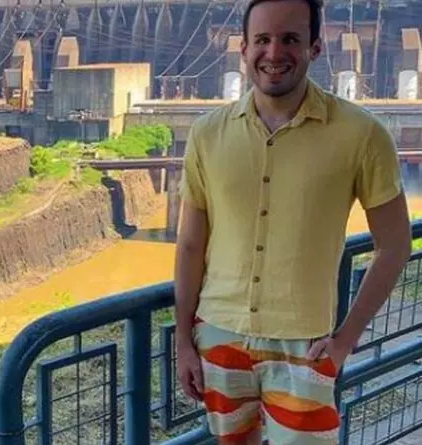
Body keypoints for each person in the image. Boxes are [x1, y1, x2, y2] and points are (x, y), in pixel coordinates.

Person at [174, 0, 412, 444]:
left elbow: (395, 244)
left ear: (314, 48)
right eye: (262, 40)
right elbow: (190, 244)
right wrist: (184, 342)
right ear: (244, 49)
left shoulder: (361, 134)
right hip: (218, 335)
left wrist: (345, 341)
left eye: (289, 39)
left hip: (304, 347)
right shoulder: (208, 134)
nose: (274, 52)